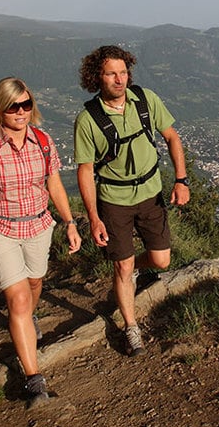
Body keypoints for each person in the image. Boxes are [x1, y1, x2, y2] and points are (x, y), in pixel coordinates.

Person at [0, 77, 81, 407]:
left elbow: (54, 185)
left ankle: (27, 319)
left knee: (35, 283)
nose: (20, 112)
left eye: (26, 104)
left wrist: (70, 222)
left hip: (38, 226)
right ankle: (34, 380)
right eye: (13, 106)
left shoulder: (43, 141)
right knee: (19, 299)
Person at [74, 45, 190, 356]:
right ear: (97, 77)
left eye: (123, 72)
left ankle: (129, 268)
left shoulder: (145, 100)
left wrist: (181, 180)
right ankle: (131, 326)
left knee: (161, 260)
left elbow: (172, 137)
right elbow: (85, 171)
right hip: (114, 199)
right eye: (111, 73)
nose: (119, 79)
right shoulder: (88, 119)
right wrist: (94, 217)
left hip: (150, 192)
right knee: (123, 265)